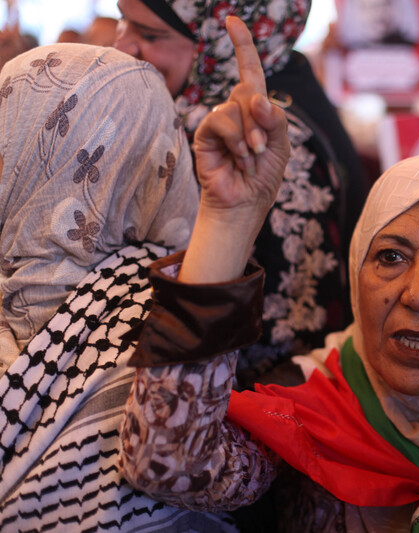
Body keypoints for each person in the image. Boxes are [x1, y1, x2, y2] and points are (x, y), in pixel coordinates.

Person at [118, 153, 419, 532]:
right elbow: (167, 462)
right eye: (390, 256)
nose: (418, 294)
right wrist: (228, 221)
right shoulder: (310, 404)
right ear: (355, 273)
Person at [0, 17, 290, 531]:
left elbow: (176, 460)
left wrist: (229, 220)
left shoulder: (147, 316)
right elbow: (190, 463)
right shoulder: (154, 314)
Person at [114, 0, 369, 388]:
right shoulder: (293, 84)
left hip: (241, 408)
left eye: (150, 35)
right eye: (123, 21)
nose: (124, 46)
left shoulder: (241, 132)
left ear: (218, 37)